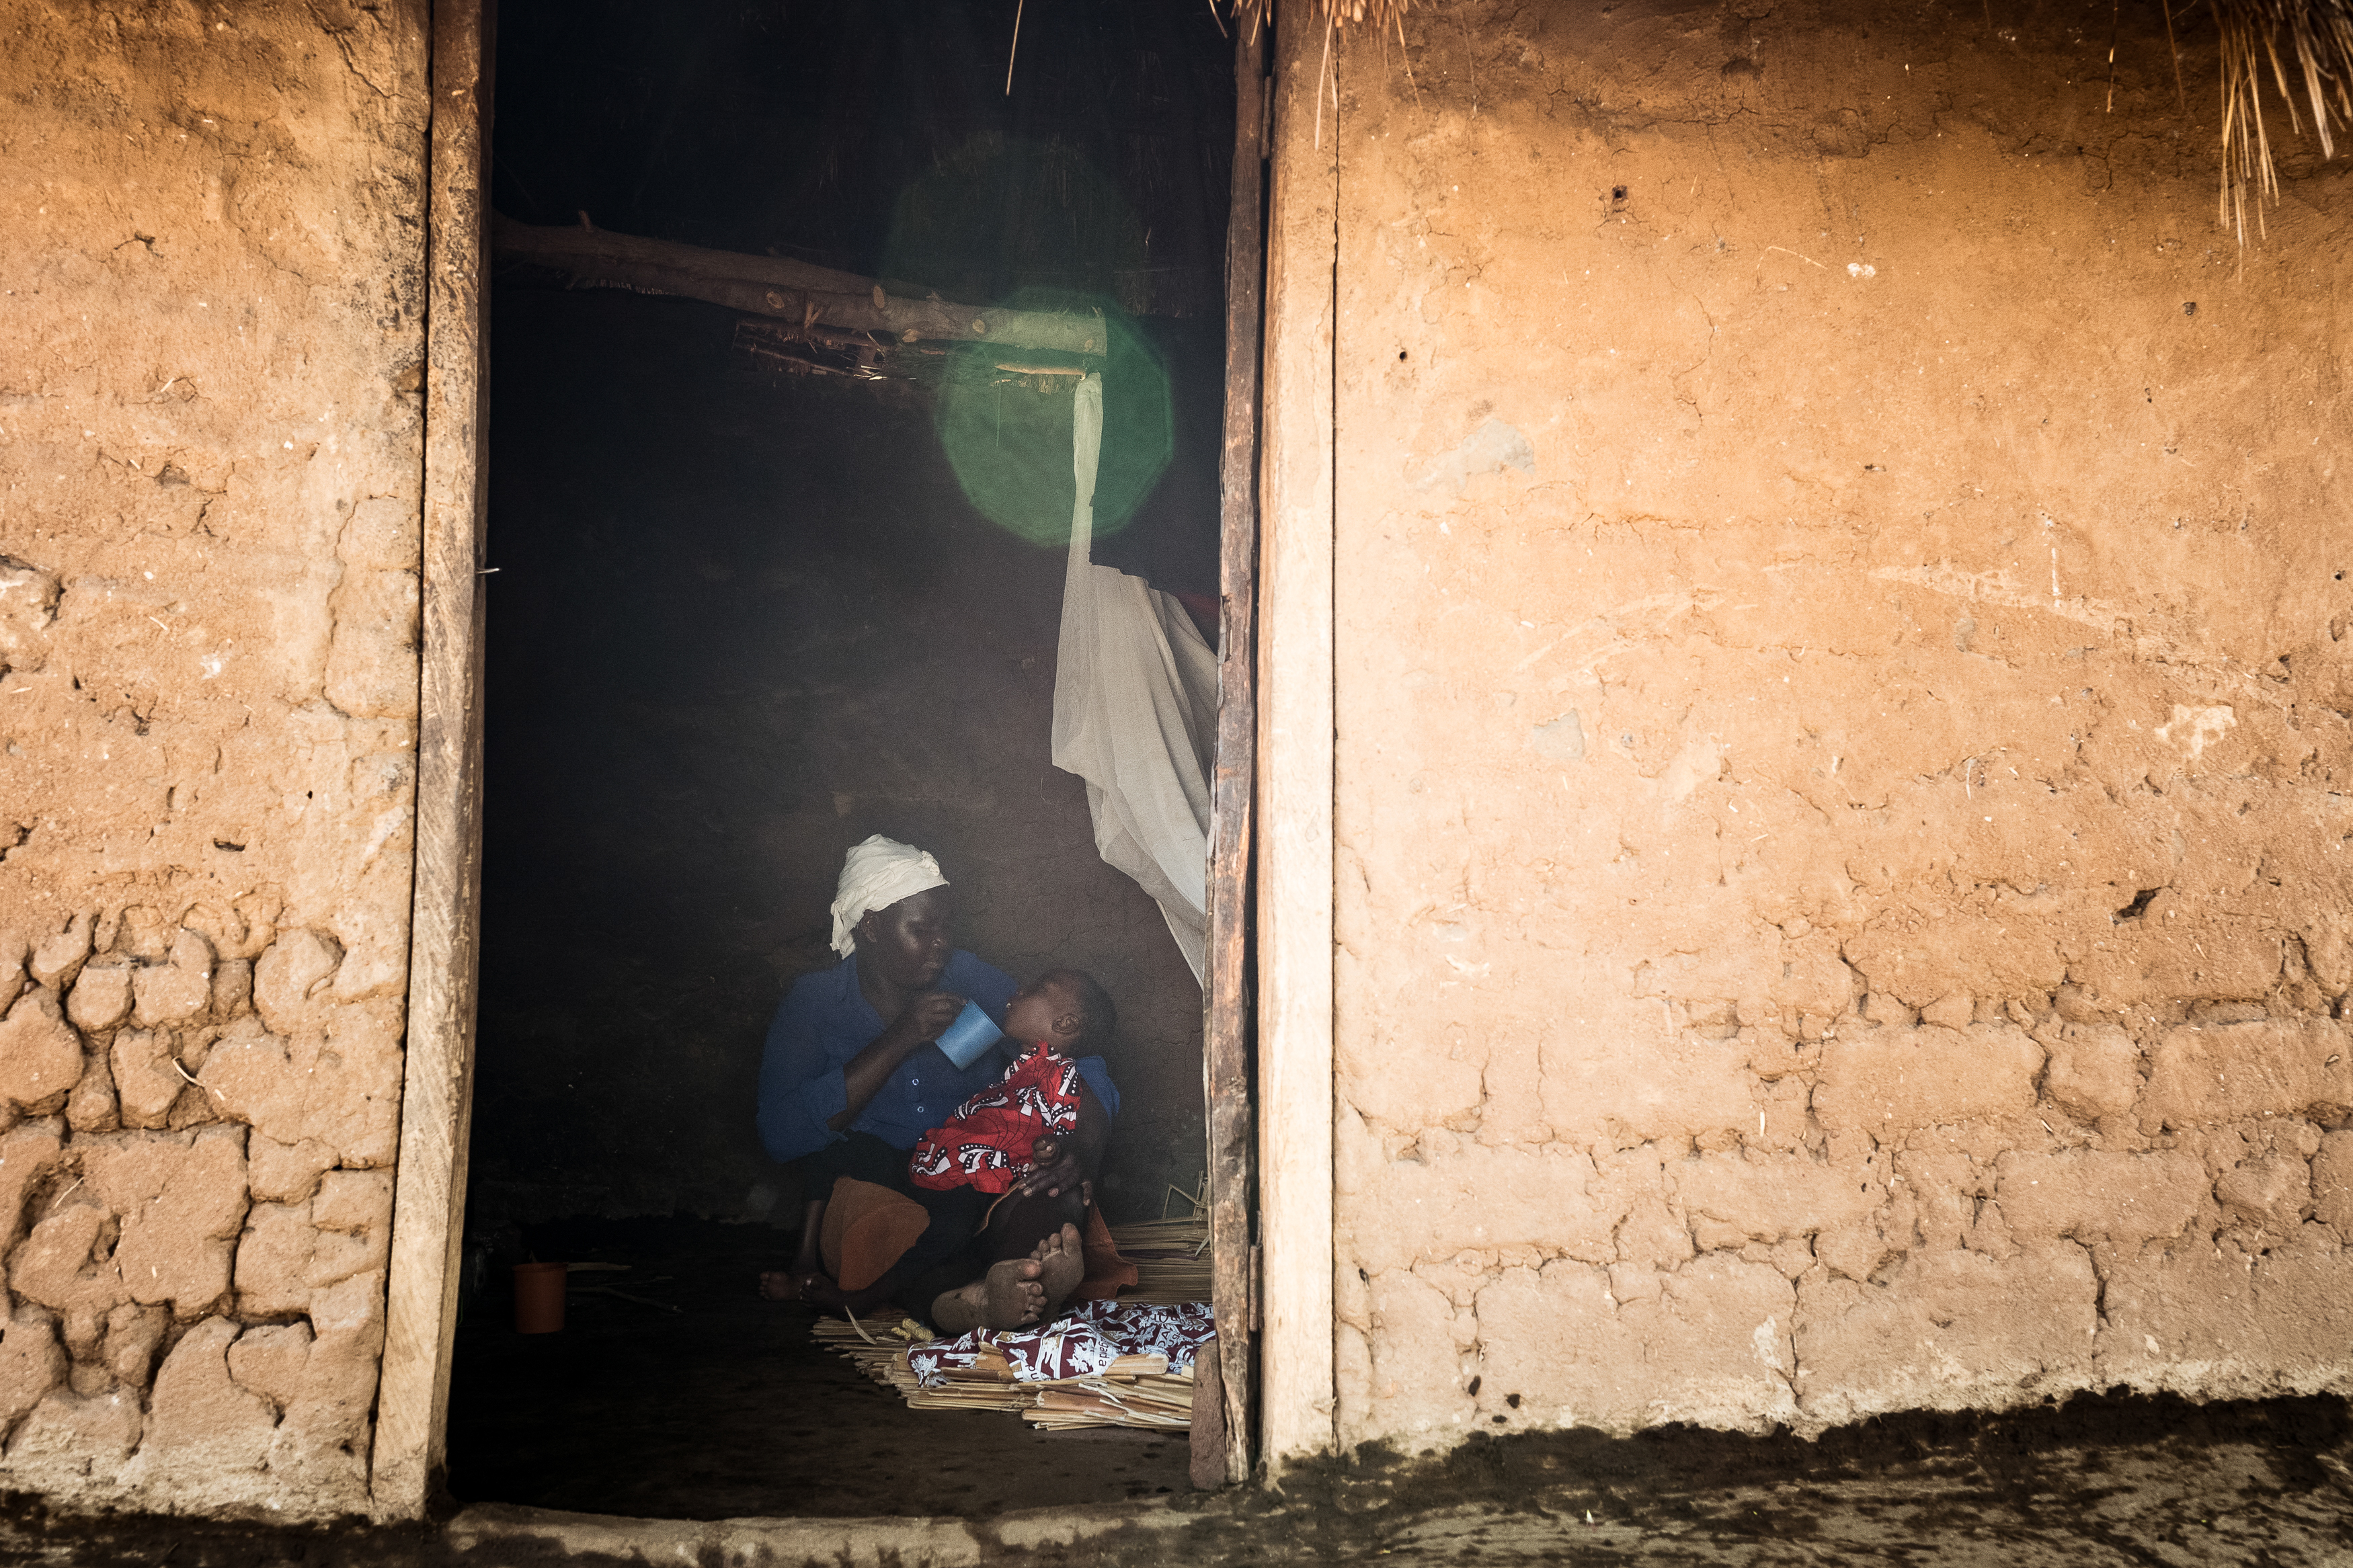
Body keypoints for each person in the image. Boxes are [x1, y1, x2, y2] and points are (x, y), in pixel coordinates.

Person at [755, 835, 1119, 1324]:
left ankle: (1017, 1278)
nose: (941, 943)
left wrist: (1080, 1150)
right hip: (878, 1189)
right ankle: (980, 1297)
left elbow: (1076, 1060)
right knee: (892, 1238)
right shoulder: (816, 1003)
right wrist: (900, 1038)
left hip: (971, 1181)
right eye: (921, 929)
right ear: (872, 927)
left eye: (946, 926)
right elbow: (780, 1134)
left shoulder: (965, 977)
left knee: (1051, 1190)